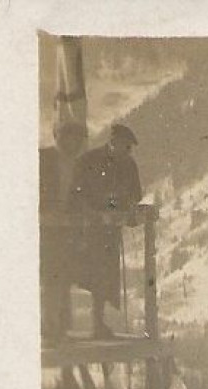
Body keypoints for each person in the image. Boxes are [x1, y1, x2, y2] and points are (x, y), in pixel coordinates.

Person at [68, 124, 143, 339]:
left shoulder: (128, 165)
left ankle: (99, 323)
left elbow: (135, 194)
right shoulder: (88, 160)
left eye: (129, 148)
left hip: (111, 230)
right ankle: (69, 326)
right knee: (85, 274)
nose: (127, 151)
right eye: (124, 146)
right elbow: (76, 194)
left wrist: (125, 209)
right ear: (113, 142)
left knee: (106, 275)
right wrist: (94, 213)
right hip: (87, 230)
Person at [39, 123, 86, 344]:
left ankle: (59, 329)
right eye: (68, 137)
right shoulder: (44, 158)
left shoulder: (77, 164)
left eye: (77, 138)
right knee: (51, 280)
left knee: (64, 279)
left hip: (66, 231)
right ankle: (48, 329)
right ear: (58, 136)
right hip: (45, 229)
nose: (73, 142)